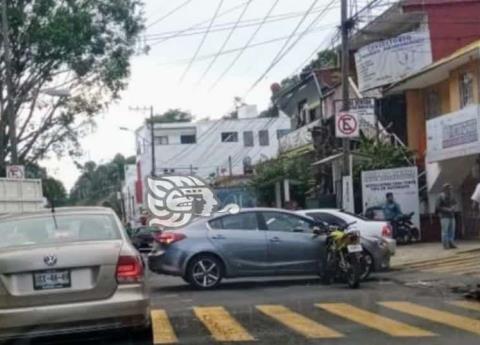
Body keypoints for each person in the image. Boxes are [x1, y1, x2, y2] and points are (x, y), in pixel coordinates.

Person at [436, 183, 457, 249]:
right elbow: (438, 207)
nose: (450, 190)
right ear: (444, 189)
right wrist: (447, 209)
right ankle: (445, 244)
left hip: (452, 215)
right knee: (445, 231)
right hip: (444, 216)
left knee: (452, 230)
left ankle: (451, 243)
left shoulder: (452, 195)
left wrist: (453, 207)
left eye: (450, 189)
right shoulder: (440, 196)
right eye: (448, 189)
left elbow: (454, 203)